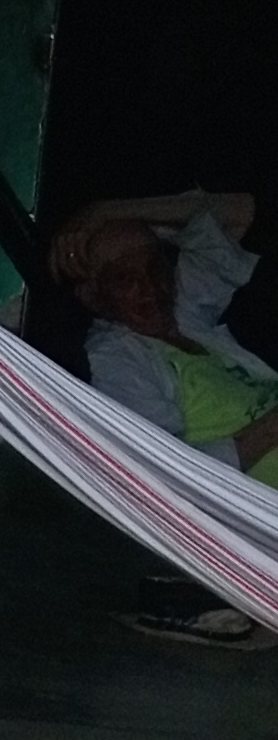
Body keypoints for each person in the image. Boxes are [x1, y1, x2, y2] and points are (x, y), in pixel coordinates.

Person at [50, 188, 274, 641]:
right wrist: (269, 430)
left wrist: (109, 211)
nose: (150, 288)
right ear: (95, 296)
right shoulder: (118, 359)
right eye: (125, 278)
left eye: (155, 268)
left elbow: (237, 214)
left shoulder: (184, 316)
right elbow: (166, 479)